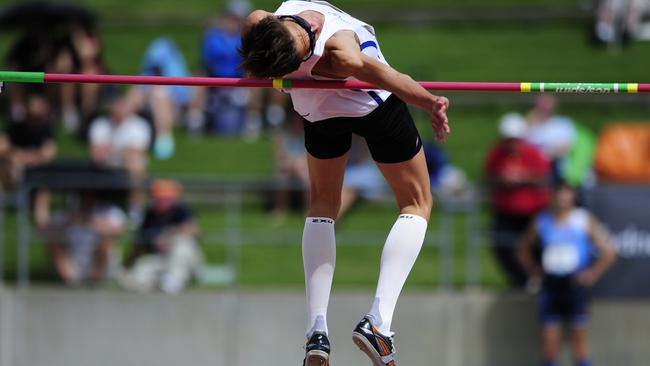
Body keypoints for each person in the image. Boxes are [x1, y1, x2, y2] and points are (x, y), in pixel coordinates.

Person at [240, 2, 450, 365]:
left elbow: (252, 28)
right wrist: (431, 103)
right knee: (417, 202)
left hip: (316, 111)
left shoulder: (266, 23)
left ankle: (316, 332)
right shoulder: (339, 52)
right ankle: (378, 323)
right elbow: (390, 78)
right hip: (371, 108)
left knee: (322, 205)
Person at [517, 180, 617, 366]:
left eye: (567, 192)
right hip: (551, 285)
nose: (562, 197)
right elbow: (523, 249)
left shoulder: (583, 219)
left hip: (575, 285)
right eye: (559, 192)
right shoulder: (542, 220)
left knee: (579, 343)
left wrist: (592, 274)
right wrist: (534, 271)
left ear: (573, 196)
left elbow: (609, 251)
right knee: (549, 344)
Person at [484, 113, 551, 288]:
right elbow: (489, 177)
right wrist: (503, 179)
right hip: (506, 210)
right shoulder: (496, 154)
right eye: (508, 139)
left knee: (536, 247)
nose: (511, 143)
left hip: (532, 211)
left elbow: (544, 178)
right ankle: (521, 280)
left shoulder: (533, 153)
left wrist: (522, 179)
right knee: (502, 245)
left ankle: (541, 278)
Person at [121, 180, 202, 294]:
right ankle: (159, 284)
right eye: (159, 198)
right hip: (160, 259)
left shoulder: (181, 210)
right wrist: (129, 263)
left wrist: (168, 237)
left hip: (184, 260)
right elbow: (139, 242)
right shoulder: (150, 214)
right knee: (137, 275)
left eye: (166, 199)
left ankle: (173, 282)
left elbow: (194, 230)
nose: (162, 202)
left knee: (183, 244)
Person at [88, 95, 152, 214]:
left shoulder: (139, 125)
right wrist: (122, 151)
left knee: (136, 165)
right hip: (104, 164)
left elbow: (136, 153)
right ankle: (90, 208)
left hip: (128, 165)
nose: (118, 111)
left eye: (122, 107)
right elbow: (96, 153)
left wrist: (111, 150)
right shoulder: (100, 124)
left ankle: (136, 208)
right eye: (116, 107)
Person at [525, 95, 576, 182]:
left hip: (556, 170)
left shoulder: (563, 124)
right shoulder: (530, 124)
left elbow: (564, 149)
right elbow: (524, 146)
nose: (545, 107)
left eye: (548, 103)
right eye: (542, 104)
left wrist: (543, 155)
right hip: (534, 170)